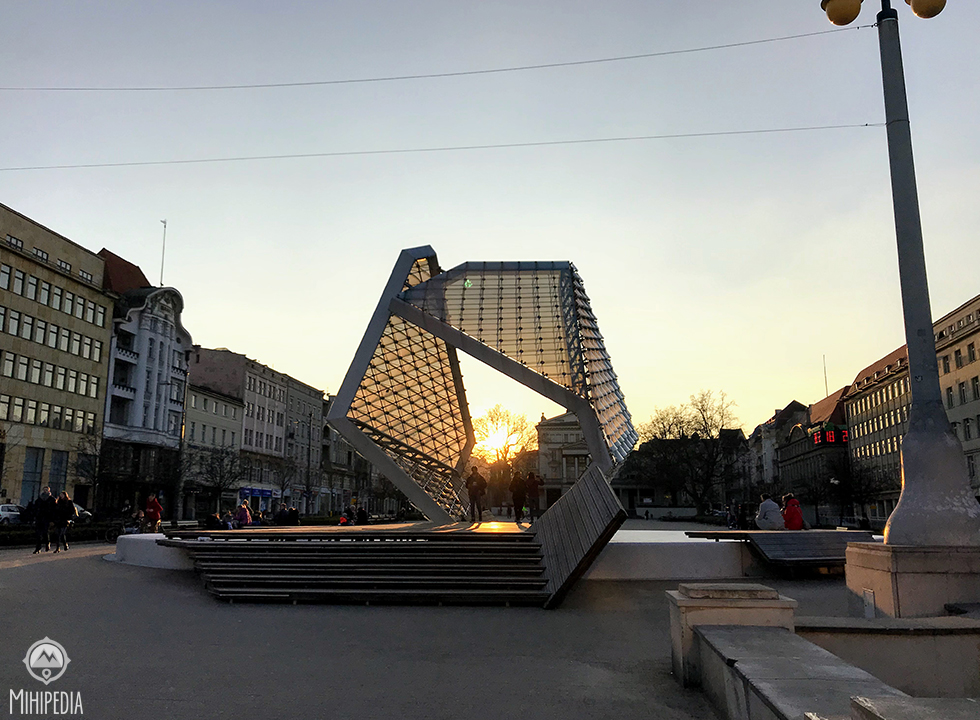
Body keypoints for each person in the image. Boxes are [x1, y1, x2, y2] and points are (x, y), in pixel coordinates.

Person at [32, 487, 57, 554]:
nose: (45, 491)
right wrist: (35, 515)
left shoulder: (52, 499)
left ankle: (47, 543)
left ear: (49, 490)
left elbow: (54, 510)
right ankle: (38, 548)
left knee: (45, 532)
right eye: (44, 490)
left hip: (47, 518)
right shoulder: (39, 499)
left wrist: (53, 520)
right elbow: (35, 508)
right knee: (38, 534)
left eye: (46, 490)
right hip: (39, 518)